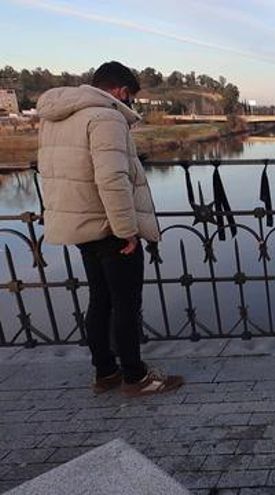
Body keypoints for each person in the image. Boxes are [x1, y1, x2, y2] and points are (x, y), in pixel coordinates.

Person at [36, 61, 183, 397]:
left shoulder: (56, 117)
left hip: (78, 222)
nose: (129, 104)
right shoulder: (106, 116)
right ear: (121, 91)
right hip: (109, 225)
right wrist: (126, 230)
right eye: (130, 96)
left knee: (99, 300)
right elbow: (111, 178)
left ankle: (105, 372)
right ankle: (136, 377)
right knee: (126, 303)